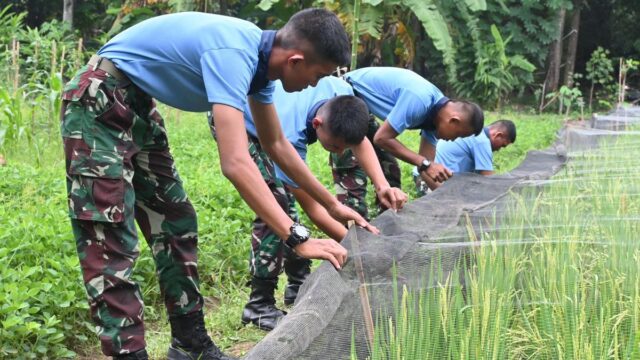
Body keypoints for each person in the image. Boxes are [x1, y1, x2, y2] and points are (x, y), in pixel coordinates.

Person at [60, 9, 373, 360]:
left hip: (137, 103)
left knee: (176, 219)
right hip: (101, 97)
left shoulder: (260, 69)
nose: (315, 86)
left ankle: (190, 346)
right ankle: (128, 354)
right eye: (317, 76)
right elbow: (236, 162)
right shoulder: (235, 54)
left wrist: (331, 204)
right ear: (296, 60)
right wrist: (295, 235)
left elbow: (277, 145)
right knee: (110, 234)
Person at [211, 77, 407, 331]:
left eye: (344, 147)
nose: (338, 153)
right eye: (335, 146)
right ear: (317, 124)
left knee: (287, 208)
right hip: (240, 121)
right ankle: (259, 305)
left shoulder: (343, 95)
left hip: (274, 117)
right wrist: (359, 247)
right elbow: (314, 209)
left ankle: (297, 284)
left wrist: (382, 185)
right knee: (278, 205)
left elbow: (360, 141)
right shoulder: (290, 136)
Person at [330, 67, 484, 219]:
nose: (452, 140)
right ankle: (352, 232)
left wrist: (453, 202)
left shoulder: (435, 116)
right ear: (454, 121)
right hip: (346, 101)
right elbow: (382, 139)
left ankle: (386, 226)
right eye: (458, 135)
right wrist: (424, 163)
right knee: (353, 172)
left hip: (363, 109)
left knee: (390, 170)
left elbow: (426, 169)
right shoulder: (420, 100)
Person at [413, 119, 517, 194]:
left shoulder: (477, 134)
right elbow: (489, 180)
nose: (499, 149)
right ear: (498, 135)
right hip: (427, 181)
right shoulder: (481, 141)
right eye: (502, 145)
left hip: (420, 176)